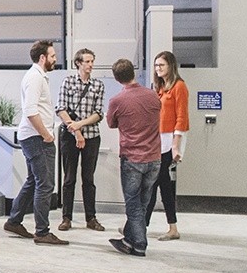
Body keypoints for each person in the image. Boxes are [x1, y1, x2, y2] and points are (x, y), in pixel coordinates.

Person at [4, 40, 68, 245]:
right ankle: (42, 231)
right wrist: (46, 135)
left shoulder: (39, 77)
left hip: (34, 137)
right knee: (45, 184)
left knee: (34, 181)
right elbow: (30, 110)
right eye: (52, 55)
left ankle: (14, 221)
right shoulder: (35, 78)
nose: (55, 59)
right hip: (36, 138)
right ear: (43, 57)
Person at [106, 58, 161, 257]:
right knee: (143, 202)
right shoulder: (153, 96)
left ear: (116, 78)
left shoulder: (117, 101)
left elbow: (111, 123)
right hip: (154, 157)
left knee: (133, 203)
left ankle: (139, 244)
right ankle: (129, 239)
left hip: (132, 158)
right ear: (134, 73)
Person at [56, 48, 106, 232]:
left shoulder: (98, 85)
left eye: (92, 61)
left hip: (92, 136)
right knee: (69, 178)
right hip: (69, 137)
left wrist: (80, 125)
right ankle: (66, 217)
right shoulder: (68, 82)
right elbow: (61, 109)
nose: (90, 65)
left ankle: (91, 218)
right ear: (78, 63)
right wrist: (76, 132)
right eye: (87, 61)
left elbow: (99, 113)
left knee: (88, 178)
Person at [145, 50, 189, 241]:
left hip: (169, 141)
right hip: (159, 141)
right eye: (156, 65)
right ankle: (169, 227)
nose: (158, 68)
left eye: (161, 65)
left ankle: (141, 225)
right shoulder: (161, 88)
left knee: (155, 183)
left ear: (171, 66)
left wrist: (176, 146)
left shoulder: (179, 87)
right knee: (160, 184)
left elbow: (182, 117)